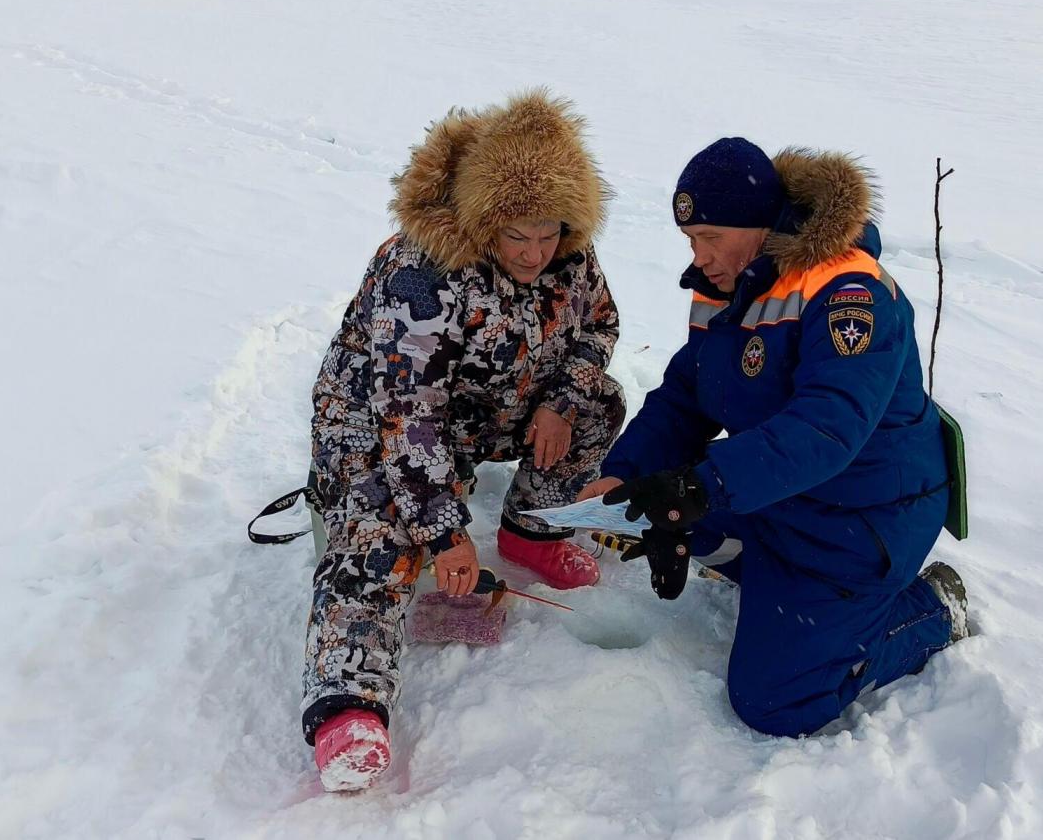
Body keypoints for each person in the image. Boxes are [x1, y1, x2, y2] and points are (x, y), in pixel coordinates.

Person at [580, 137, 968, 738]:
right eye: (690, 241)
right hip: (784, 494)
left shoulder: (849, 295)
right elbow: (687, 395)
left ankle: (929, 610)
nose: (699, 256)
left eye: (710, 237)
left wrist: (704, 486)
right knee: (662, 508)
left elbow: (826, 427)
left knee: (775, 702)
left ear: (756, 224)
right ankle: (774, 581)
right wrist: (625, 472)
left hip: (865, 516)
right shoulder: (731, 286)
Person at [305, 91, 624, 790]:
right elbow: (407, 417)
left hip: (481, 408)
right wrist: (446, 531)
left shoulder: (570, 257)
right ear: (485, 223)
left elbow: (598, 328)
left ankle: (532, 534)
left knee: (598, 401)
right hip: (376, 419)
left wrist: (562, 403)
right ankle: (348, 708)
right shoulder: (422, 274)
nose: (537, 253)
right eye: (519, 238)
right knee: (383, 526)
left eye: (550, 234)